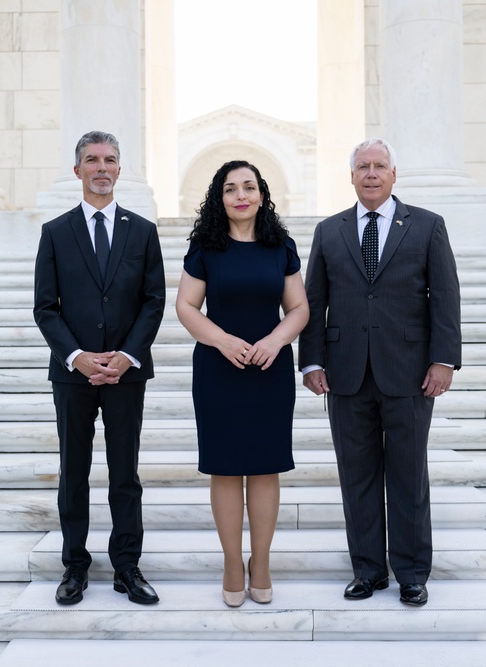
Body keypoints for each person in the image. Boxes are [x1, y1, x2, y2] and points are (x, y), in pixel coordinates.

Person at [299, 138, 461, 607]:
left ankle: (411, 573)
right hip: (345, 374)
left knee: (408, 475)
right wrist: (311, 361)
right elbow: (314, 300)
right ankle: (368, 571)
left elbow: (445, 298)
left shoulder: (428, 226)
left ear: (394, 174)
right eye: (363, 167)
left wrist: (443, 359)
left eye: (380, 166)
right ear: (351, 176)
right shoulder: (330, 231)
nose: (371, 174)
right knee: (358, 475)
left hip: (411, 373)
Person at [33, 130, 166, 606]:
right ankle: (74, 567)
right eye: (92, 160)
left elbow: (153, 302)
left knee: (124, 473)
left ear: (119, 168)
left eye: (110, 159)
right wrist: (78, 356)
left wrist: (126, 356)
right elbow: (45, 307)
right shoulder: (55, 232)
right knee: (74, 471)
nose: (102, 167)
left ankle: (127, 567)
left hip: (127, 373)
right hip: (73, 374)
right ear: (78, 171)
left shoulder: (142, 230)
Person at [175, 160, 309, 607]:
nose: (241, 195)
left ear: (263, 195)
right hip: (219, 370)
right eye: (231, 188)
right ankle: (233, 561)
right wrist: (223, 341)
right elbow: (187, 307)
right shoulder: (205, 247)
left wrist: (274, 340)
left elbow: (299, 308)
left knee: (266, 466)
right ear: (220, 197)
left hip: (269, 371)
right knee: (226, 468)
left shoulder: (280, 246)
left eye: (249, 187)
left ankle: (262, 561)